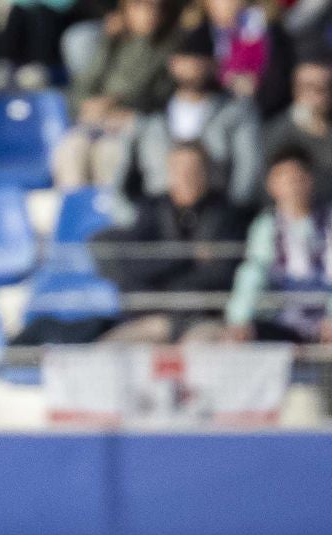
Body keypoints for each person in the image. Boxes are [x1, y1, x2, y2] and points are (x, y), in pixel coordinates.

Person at [94, 140, 248, 340]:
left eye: (194, 169)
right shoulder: (152, 210)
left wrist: (162, 279)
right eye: (179, 169)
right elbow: (133, 267)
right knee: (110, 352)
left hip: (204, 320)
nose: (186, 176)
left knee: (207, 352)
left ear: (207, 172)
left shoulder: (226, 214)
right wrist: (189, 254)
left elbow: (222, 274)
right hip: (152, 319)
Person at [114, 27, 262, 210]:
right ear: (173, 64)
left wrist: (230, 217)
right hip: (158, 215)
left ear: (213, 64)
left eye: (199, 60)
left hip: (215, 214)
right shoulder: (149, 116)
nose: (192, 67)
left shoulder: (236, 113)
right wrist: (136, 218)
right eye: (185, 60)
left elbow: (248, 170)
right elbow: (122, 175)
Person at [53, 0, 177, 191]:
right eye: (139, 6)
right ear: (125, 11)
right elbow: (84, 85)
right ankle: (75, 214)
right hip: (99, 120)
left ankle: (109, 215)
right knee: (71, 149)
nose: (148, 13)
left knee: (108, 152)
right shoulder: (113, 43)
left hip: (135, 120)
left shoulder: (170, 46)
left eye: (154, 7)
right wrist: (87, 106)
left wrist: (116, 103)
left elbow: (160, 93)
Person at [215, 145, 332, 341]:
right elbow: (253, 271)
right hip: (280, 316)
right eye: (285, 180)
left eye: (297, 179)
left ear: (309, 181)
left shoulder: (328, 222)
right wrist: (239, 318)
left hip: (324, 315)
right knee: (238, 338)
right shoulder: (266, 226)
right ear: (272, 185)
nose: (292, 187)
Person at [197, 0, 294, 120]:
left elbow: (277, 77)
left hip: (265, 111)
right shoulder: (200, 35)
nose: (225, 4)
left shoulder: (264, 28)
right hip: (219, 111)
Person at [263, 59, 332, 190]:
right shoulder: (276, 134)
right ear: (296, 89)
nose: (318, 94)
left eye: (326, 86)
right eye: (310, 86)